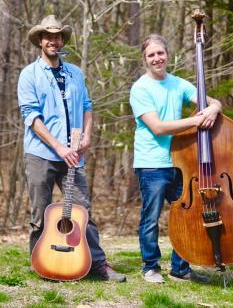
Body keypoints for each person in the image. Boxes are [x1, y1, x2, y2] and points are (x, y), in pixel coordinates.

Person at [18, 15, 126, 282]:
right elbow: (31, 117)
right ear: (40, 41)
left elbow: (87, 106)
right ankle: (41, 263)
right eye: (48, 36)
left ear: (62, 40)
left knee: (82, 211)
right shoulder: (29, 74)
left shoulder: (75, 73)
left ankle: (98, 265)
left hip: (74, 156)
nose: (53, 41)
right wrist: (58, 147)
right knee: (41, 213)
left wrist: (87, 135)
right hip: (41, 154)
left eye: (58, 36)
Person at [129, 34, 222, 284]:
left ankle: (180, 268)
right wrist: (195, 120)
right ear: (145, 59)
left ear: (167, 55)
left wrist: (213, 108)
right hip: (151, 164)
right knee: (151, 218)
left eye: (160, 53)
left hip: (181, 163)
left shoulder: (179, 84)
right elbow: (157, 128)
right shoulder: (140, 88)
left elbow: (210, 101)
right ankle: (151, 267)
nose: (157, 58)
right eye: (151, 55)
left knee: (188, 215)